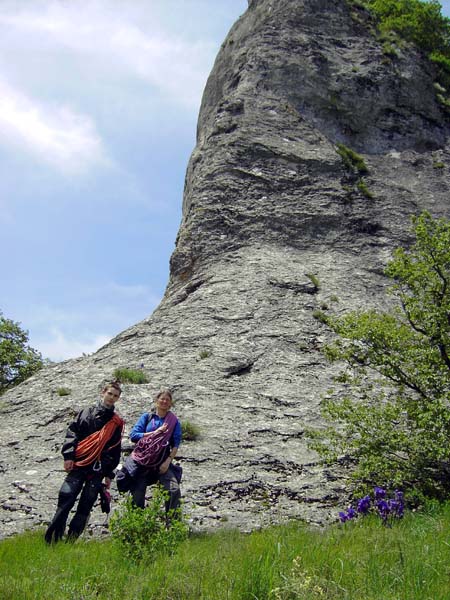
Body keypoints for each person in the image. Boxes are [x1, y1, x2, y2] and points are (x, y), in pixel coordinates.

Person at [44, 381, 124, 543]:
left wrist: (109, 474)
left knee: (86, 504)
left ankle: (71, 540)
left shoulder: (116, 423)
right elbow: (72, 433)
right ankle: (53, 537)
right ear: (103, 392)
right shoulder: (86, 412)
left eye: (115, 396)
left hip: (98, 469)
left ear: (118, 399)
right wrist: (68, 456)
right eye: (110, 394)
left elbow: (115, 449)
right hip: (79, 464)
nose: (111, 398)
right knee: (66, 496)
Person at [123, 389, 182, 516]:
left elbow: (176, 443)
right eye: (162, 399)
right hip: (143, 461)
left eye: (167, 400)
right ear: (156, 401)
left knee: (173, 489)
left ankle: (172, 526)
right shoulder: (147, 417)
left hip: (162, 460)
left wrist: (168, 461)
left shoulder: (173, 421)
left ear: (170, 404)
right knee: (137, 492)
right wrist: (155, 433)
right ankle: (137, 525)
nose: (164, 401)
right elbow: (134, 435)